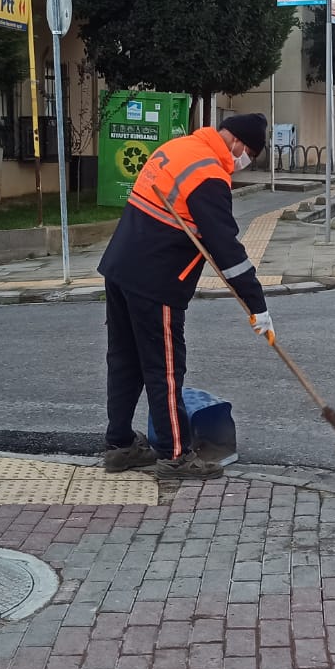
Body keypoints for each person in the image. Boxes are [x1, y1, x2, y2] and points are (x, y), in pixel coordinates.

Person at [98, 113, 272, 479]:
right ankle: (175, 455)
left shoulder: (178, 147)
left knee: (125, 360)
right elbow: (226, 249)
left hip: (120, 267)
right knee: (164, 369)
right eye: (249, 156)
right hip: (154, 280)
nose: (244, 164)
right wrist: (257, 305)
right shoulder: (208, 173)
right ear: (239, 144)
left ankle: (120, 446)